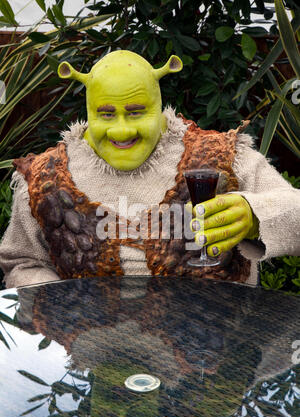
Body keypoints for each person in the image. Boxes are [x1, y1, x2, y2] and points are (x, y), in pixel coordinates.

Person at [0, 50, 299, 288]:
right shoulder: (46, 178)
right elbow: (22, 262)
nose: (121, 130)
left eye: (136, 112)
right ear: (89, 110)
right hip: (94, 355)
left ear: (158, 104)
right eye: (106, 114)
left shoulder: (219, 157)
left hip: (210, 357)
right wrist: (60, 306)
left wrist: (255, 215)